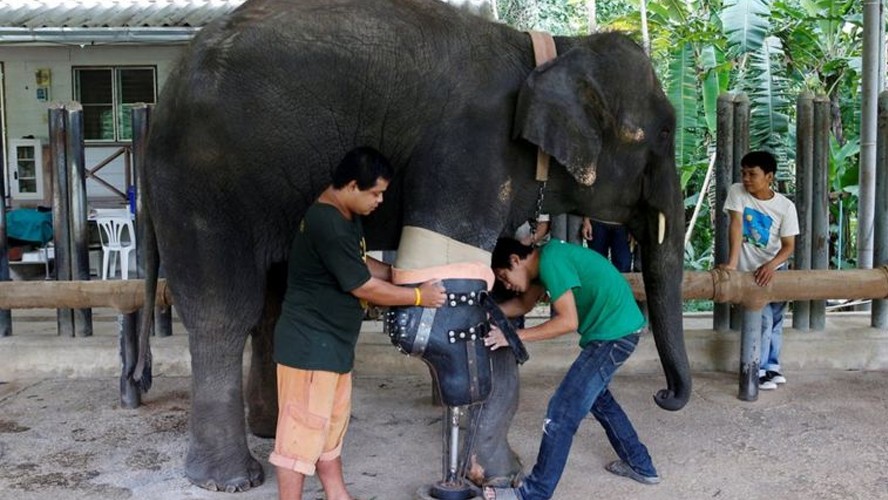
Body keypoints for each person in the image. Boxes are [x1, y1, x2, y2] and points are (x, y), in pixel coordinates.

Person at [270, 146, 447, 500]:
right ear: (352, 186)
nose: (380, 200)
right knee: (299, 435)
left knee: (331, 428)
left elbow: (361, 262)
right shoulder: (327, 222)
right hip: (309, 347)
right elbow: (361, 285)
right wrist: (417, 297)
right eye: (375, 193)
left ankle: (338, 495)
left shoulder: (346, 216)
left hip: (332, 345)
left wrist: (402, 276)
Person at [483, 237, 659, 500]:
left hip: (614, 335)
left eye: (504, 276)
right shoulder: (544, 263)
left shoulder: (552, 259)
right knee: (599, 400)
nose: (507, 285)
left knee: (562, 411)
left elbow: (567, 321)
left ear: (515, 260)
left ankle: (533, 493)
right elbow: (522, 305)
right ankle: (641, 464)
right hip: (618, 330)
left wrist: (513, 336)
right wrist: (484, 312)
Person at [721, 150, 799, 391]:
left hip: (775, 268)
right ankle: (760, 369)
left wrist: (771, 265)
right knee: (762, 320)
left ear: (769, 177)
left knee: (775, 320)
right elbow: (735, 225)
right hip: (749, 272)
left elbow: (789, 247)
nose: (745, 179)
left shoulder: (785, 207)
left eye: (752, 174)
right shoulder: (737, 192)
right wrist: (733, 265)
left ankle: (773, 366)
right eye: (743, 173)